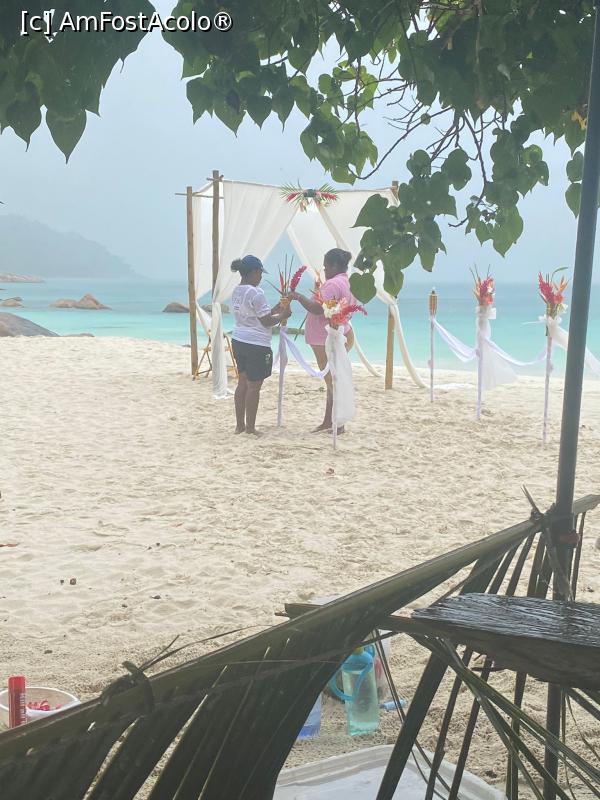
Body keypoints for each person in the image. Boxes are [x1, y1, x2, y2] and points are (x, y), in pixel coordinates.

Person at [290, 248, 355, 432]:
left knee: (332, 380)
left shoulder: (333, 284)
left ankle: (338, 423)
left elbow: (318, 309)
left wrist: (297, 296)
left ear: (334, 266)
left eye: (326, 267)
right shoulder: (347, 281)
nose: (325, 271)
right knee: (332, 379)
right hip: (343, 332)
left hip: (326, 338)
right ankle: (329, 421)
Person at [230, 254, 291, 435]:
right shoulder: (256, 293)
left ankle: (240, 425)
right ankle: (250, 428)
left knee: (242, 382)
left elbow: (256, 315)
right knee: (254, 386)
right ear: (253, 272)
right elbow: (266, 322)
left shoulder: (237, 291)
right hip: (256, 344)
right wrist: (283, 315)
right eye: (260, 273)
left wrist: (276, 309)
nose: (261, 277)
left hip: (239, 340)